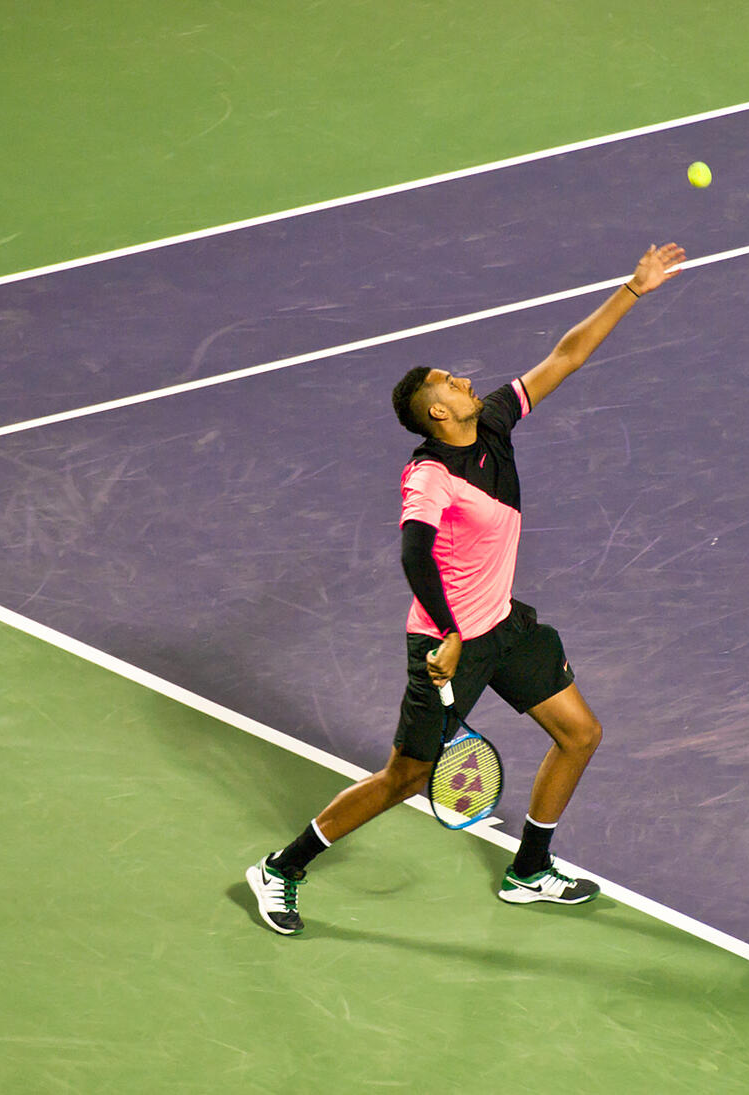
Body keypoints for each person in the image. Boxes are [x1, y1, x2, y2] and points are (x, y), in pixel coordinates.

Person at [246, 243, 687, 935]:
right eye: (450, 382)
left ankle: (529, 869)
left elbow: (566, 356)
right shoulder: (429, 475)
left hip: (503, 627)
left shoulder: (495, 424)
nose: (465, 379)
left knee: (580, 733)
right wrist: (450, 635)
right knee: (404, 777)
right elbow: (414, 553)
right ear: (438, 414)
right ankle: (280, 868)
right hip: (445, 645)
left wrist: (633, 289)